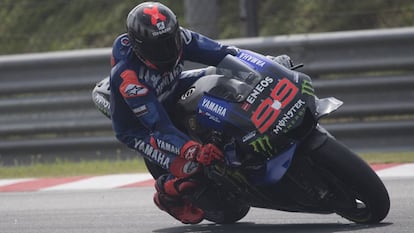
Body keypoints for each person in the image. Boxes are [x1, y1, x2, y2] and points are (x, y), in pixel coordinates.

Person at [106, 1, 293, 224]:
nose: (167, 51)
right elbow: (158, 125)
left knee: (222, 76)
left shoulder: (182, 37)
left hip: (172, 86)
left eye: (170, 42)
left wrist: (267, 66)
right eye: (157, 48)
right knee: (193, 169)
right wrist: (193, 149)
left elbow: (224, 54)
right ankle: (167, 193)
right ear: (139, 47)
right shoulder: (128, 77)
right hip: (141, 127)